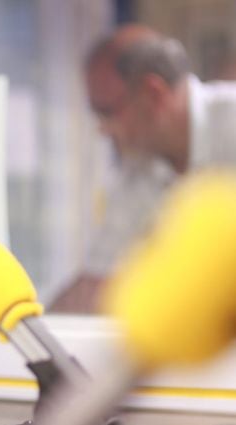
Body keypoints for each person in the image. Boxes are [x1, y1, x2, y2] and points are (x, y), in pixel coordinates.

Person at [50, 23, 236, 313]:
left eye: (107, 111)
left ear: (154, 94)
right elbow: (97, 285)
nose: (102, 129)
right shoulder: (134, 173)